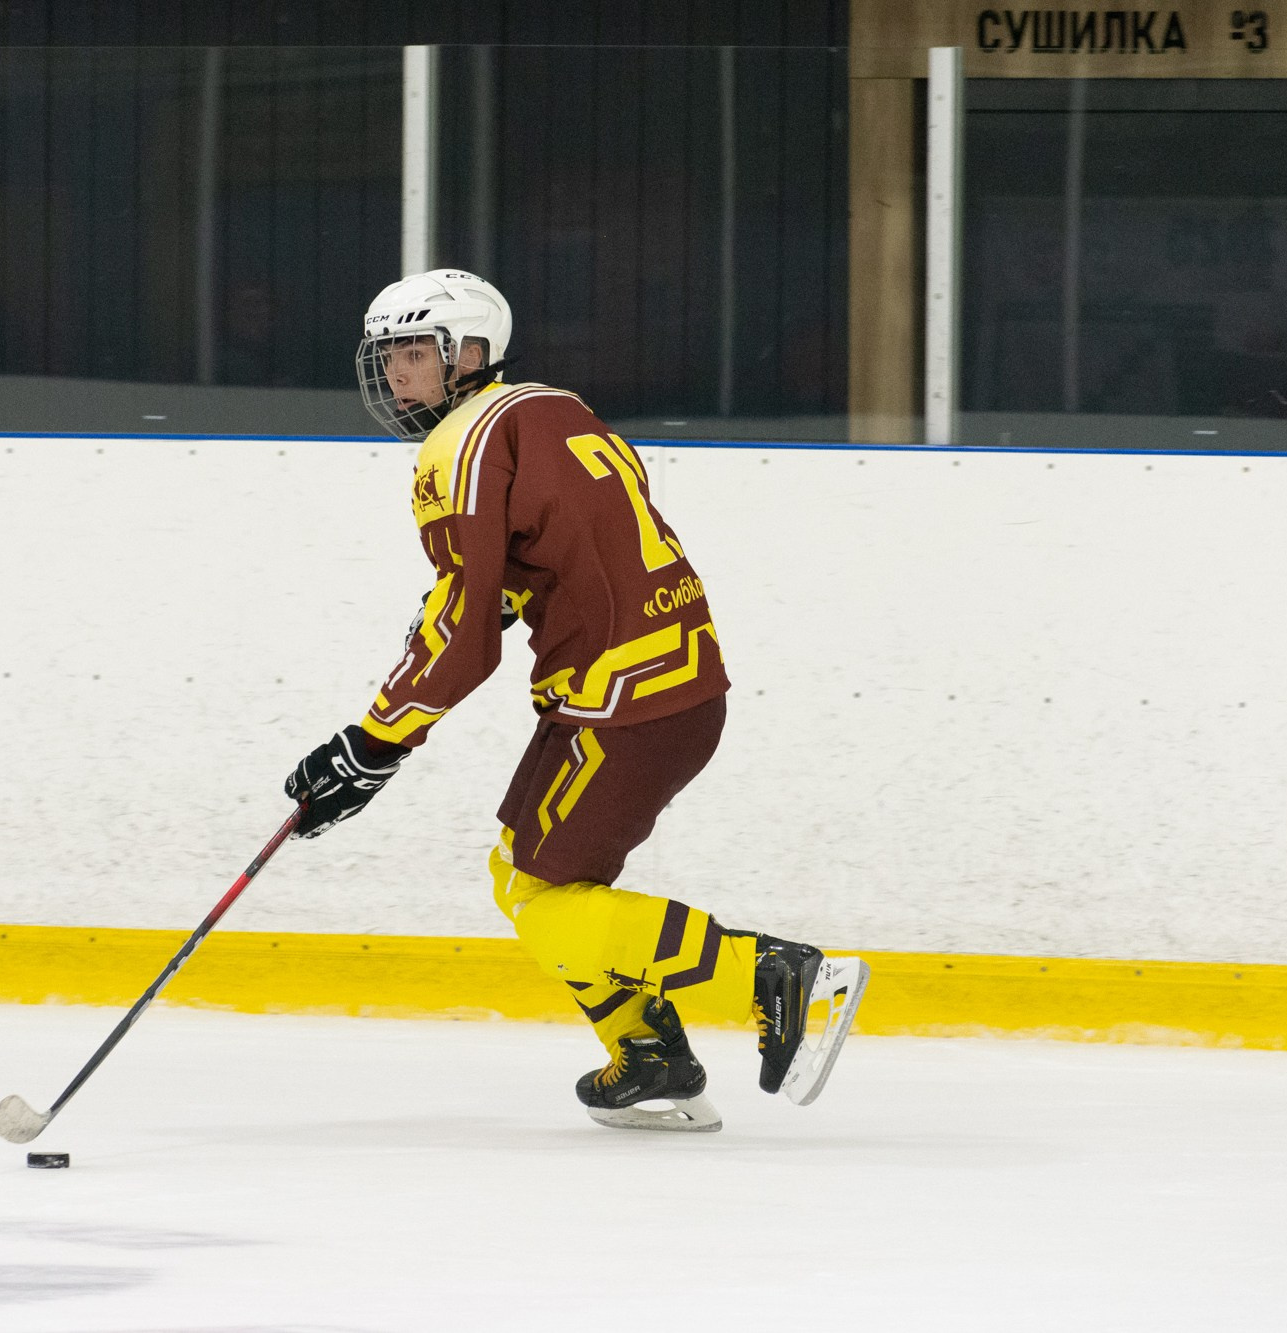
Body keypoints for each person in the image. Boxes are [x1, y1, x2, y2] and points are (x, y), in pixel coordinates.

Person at [283, 269, 867, 1132]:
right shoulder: (553, 408)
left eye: (412, 351)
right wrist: (485, 596)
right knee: (522, 874)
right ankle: (650, 1053)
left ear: (468, 353)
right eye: (388, 355)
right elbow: (554, 554)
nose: (396, 372)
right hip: (666, 682)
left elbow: (467, 635)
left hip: (620, 702)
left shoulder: (455, 449)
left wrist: (371, 743)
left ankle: (774, 976)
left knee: (544, 896)